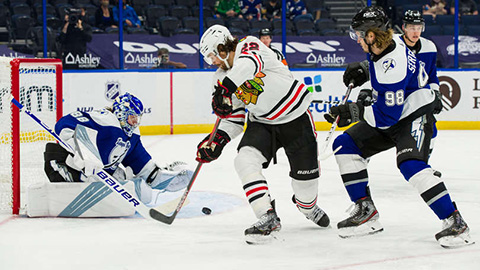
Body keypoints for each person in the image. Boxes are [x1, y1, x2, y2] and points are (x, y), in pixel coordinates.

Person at [325, 6, 473, 248]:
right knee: (345, 145)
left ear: (371, 36)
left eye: (359, 35)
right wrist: (365, 67)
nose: (358, 40)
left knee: (411, 165)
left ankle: (456, 222)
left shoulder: (392, 66)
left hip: (414, 114)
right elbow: (383, 76)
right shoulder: (390, 42)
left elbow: (385, 118)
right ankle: (366, 211)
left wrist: (353, 111)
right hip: (397, 110)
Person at [196, 25, 329, 244]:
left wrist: (226, 89)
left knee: (305, 191)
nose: (212, 62)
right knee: (244, 160)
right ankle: (267, 216)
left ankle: (307, 206)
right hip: (262, 123)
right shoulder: (219, 79)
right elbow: (234, 119)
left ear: (221, 48)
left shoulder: (249, 44)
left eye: (211, 56)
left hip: (295, 118)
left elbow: (249, 65)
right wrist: (217, 141)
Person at [43, 92, 192, 204]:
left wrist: (163, 179)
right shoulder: (105, 119)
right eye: (132, 117)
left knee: (144, 194)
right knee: (90, 174)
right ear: (121, 113)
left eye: (137, 118)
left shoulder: (132, 134)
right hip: (64, 165)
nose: (135, 122)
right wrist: (83, 155)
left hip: (97, 176)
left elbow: (142, 165)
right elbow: (63, 124)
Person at [400, 10, 442, 177]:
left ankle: (423, 166)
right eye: (411, 27)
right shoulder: (394, 46)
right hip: (396, 99)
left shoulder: (429, 47)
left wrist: (436, 93)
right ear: (403, 27)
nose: (416, 31)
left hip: (419, 100)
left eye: (419, 27)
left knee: (431, 130)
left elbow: (432, 75)